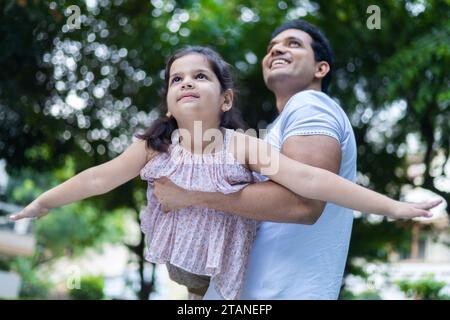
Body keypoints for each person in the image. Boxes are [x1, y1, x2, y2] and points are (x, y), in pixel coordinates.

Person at [10, 45, 440, 300]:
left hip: (228, 268)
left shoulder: (243, 145)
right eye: (176, 79)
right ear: (168, 102)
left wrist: (393, 207)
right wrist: (43, 202)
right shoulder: (153, 146)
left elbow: (313, 181)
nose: (186, 83)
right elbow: (97, 178)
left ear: (226, 100)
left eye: (200, 76)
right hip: (179, 262)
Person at [152, 21, 442, 300]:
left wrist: (192, 196)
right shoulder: (275, 132)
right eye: (272, 47)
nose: (276, 50)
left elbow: (302, 202)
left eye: (293, 44)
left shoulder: (309, 103)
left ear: (321, 68)